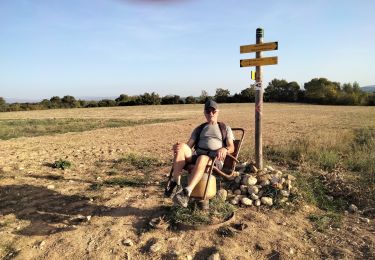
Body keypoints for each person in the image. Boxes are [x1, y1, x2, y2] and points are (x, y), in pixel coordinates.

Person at [165, 99, 235, 207]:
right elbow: (188, 146)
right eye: (208, 111)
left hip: (214, 159)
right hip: (197, 156)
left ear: (218, 111)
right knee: (181, 147)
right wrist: (178, 147)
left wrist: (225, 149)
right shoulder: (199, 128)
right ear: (204, 113)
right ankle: (175, 184)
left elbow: (231, 147)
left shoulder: (225, 128)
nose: (210, 113)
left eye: (213, 111)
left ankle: (186, 192)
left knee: (202, 158)